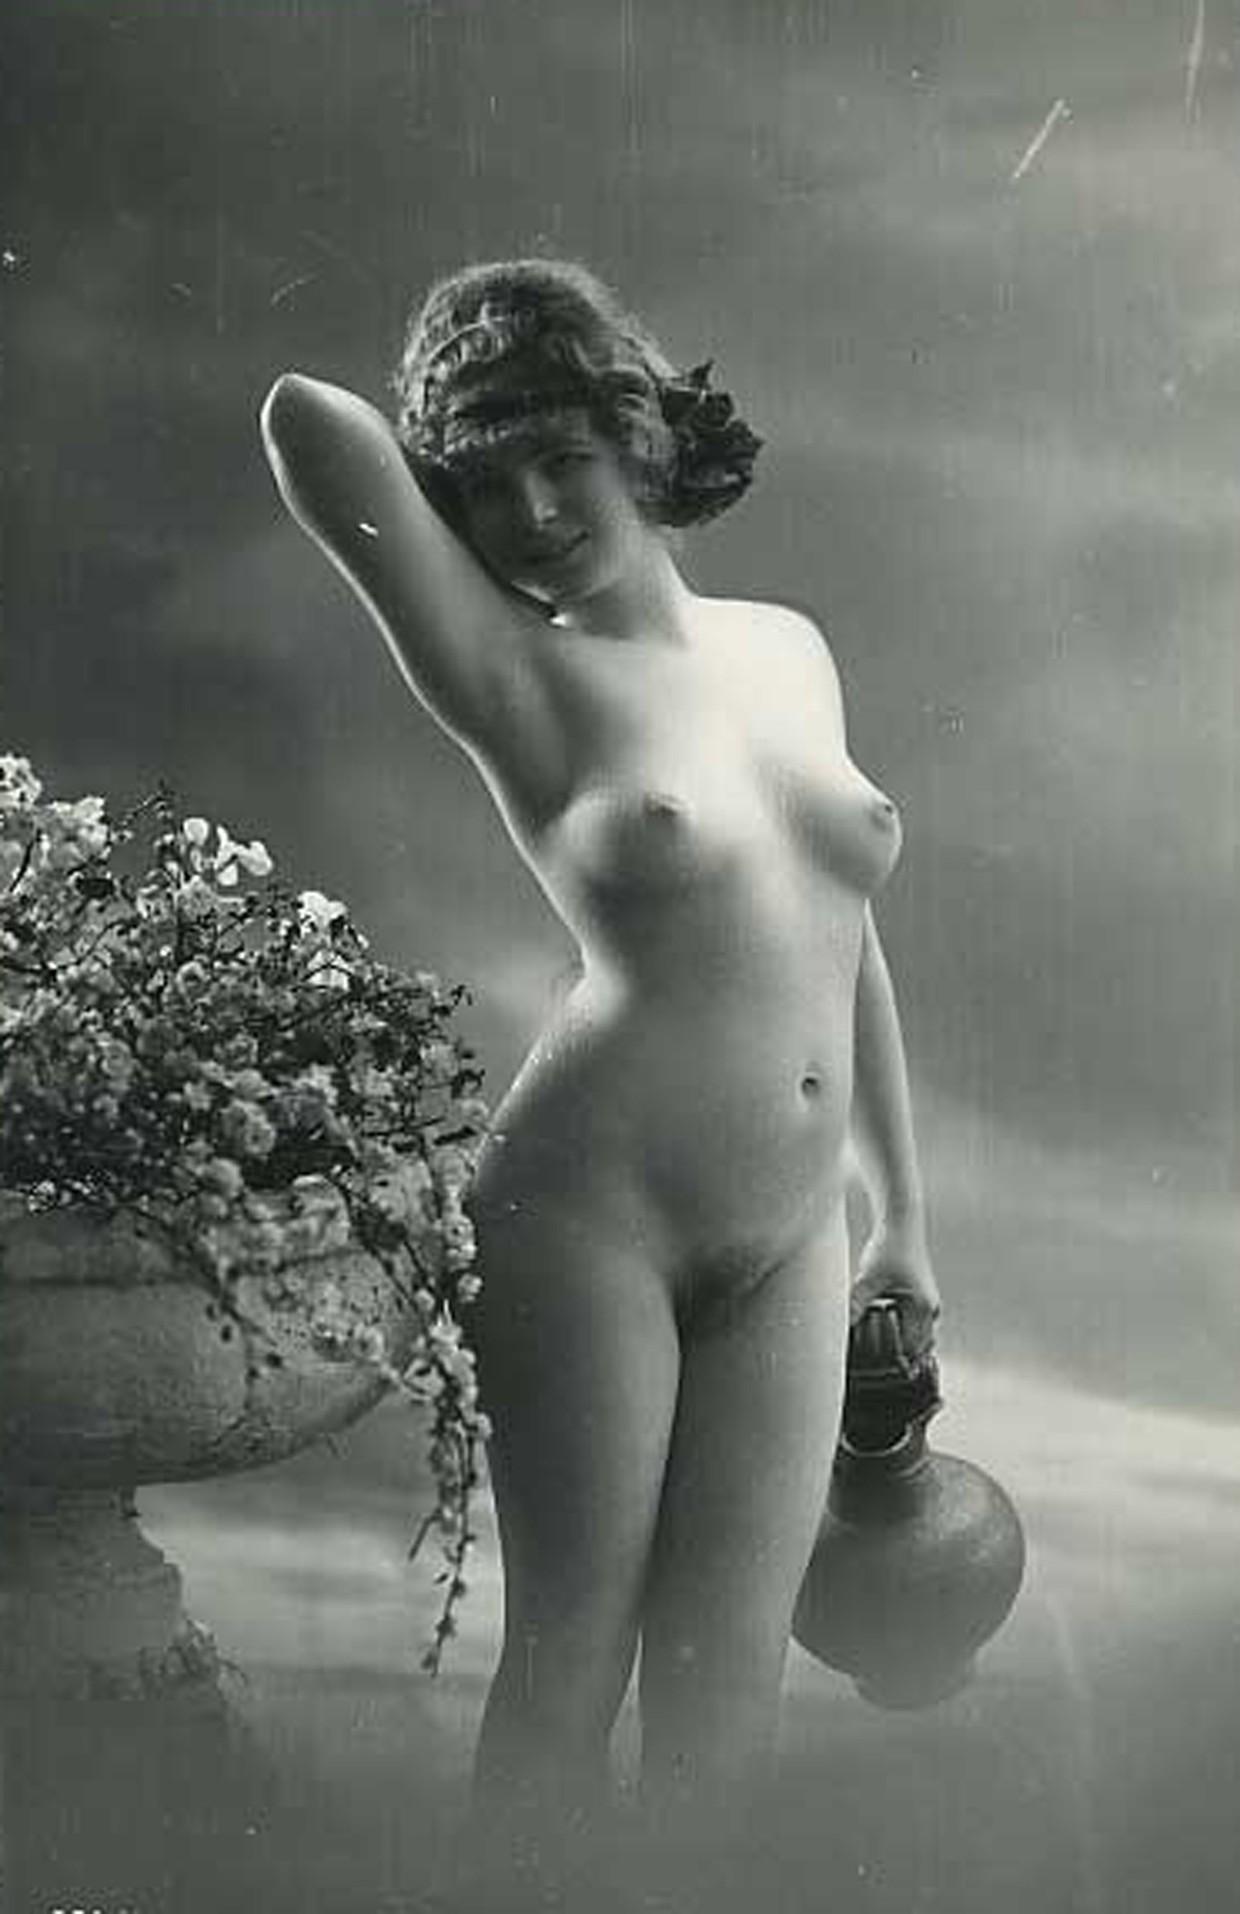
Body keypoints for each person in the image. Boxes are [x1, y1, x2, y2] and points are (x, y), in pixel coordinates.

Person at [259, 256, 939, 1853]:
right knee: (573, 1659)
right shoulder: (515, 674)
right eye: (486, 486)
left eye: (563, 456)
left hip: (793, 1232)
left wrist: (901, 1215)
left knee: (731, 1685)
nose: (536, 512)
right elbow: (305, 420)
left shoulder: (789, 649)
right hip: (586, 1219)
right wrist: (473, 399)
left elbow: (844, 934)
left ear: (637, 435)